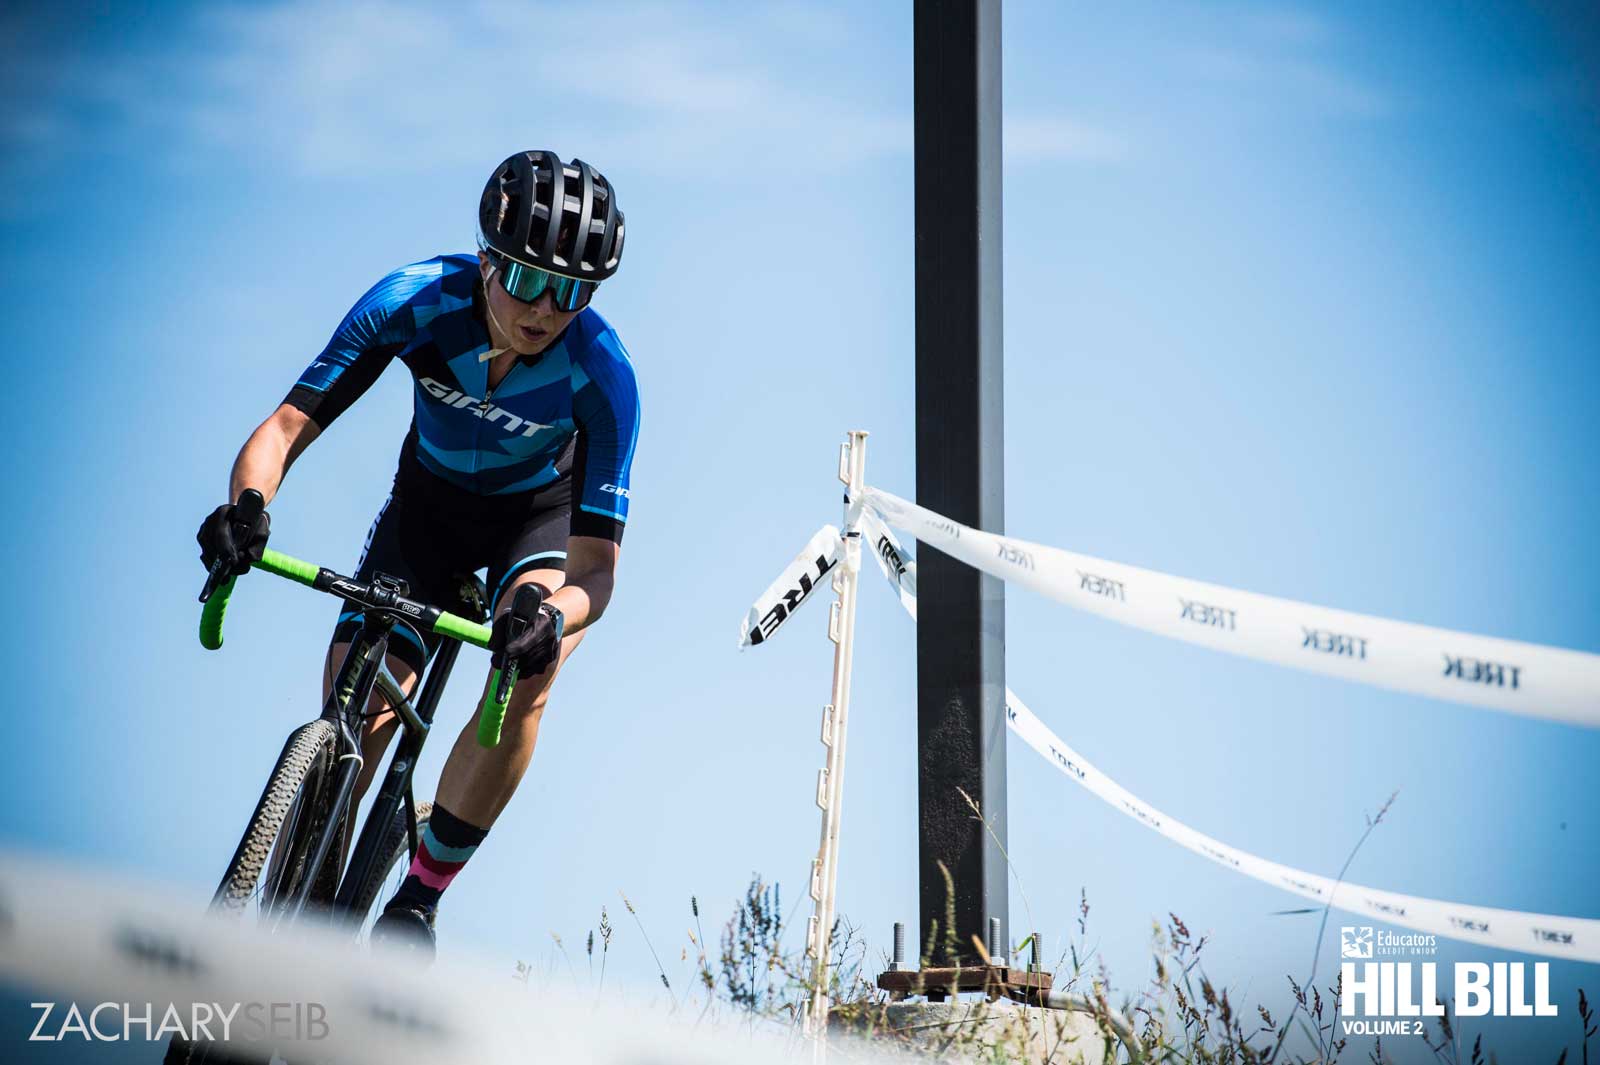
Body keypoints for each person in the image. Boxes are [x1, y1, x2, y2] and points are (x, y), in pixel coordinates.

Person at [195, 150, 639, 959]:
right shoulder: (417, 300)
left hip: (533, 523)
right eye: (531, 280)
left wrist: (556, 618)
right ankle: (298, 903)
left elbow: (596, 573)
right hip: (425, 513)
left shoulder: (603, 374)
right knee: (354, 715)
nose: (547, 308)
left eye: (572, 291)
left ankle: (421, 894)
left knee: (531, 665)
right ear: (489, 261)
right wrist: (246, 508)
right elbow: (284, 429)